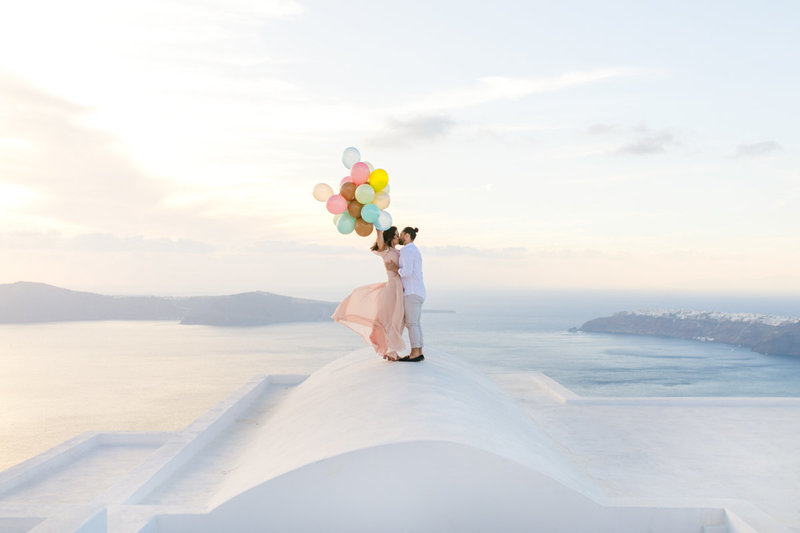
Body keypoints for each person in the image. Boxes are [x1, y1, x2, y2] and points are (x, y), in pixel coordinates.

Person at [331, 226, 406, 361]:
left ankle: (390, 350)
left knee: (398, 319)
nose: (397, 237)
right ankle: (391, 352)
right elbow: (379, 239)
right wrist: (379, 229)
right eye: (395, 235)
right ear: (389, 237)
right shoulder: (386, 250)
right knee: (391, 320)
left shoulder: (399, 252)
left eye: (397, 234)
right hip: (392, 288)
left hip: (398, 287)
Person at [395, 226, 425, 362]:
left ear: (407, 236)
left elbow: (407, 272)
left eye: (401, 234)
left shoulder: (407, 250)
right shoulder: (414, 250)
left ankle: (415, 353)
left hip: (411, 292)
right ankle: (418, 350)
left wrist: (396, 269)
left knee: (411, 323)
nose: (399, 237)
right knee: (415, 323)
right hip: (418, 291)